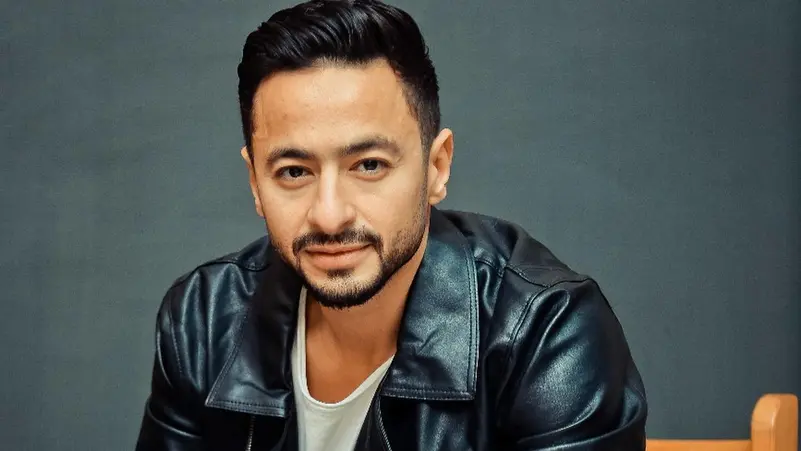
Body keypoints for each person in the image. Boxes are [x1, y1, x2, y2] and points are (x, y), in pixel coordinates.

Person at [135, 1, 647, 449]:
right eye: (294, 172)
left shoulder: (546, 332)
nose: (329, 214)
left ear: (436, 167)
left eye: (369, 165)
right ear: (254, 181)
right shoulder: (205, 319)